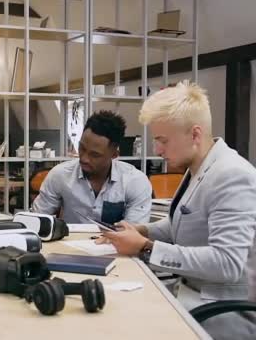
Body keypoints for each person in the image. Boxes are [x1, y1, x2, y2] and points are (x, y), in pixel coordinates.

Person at [101, 81, 256, 340]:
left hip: (221, 314)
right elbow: (181, 225)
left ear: (195, 134)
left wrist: (144, 247)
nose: (157, 150)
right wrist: (141, 230)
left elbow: (227, 264)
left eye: (162, 141)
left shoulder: (232, 175)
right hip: (190, 293)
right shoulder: (200, 166)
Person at [32, 110, 152, 224]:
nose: (84, 158)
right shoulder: (60, 175)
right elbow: (36, 219)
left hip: (115, 245)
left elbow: (134, 232)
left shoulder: (135, 181)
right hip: (68, 243)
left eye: (95, 155)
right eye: (82, 148)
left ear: (114, 154)